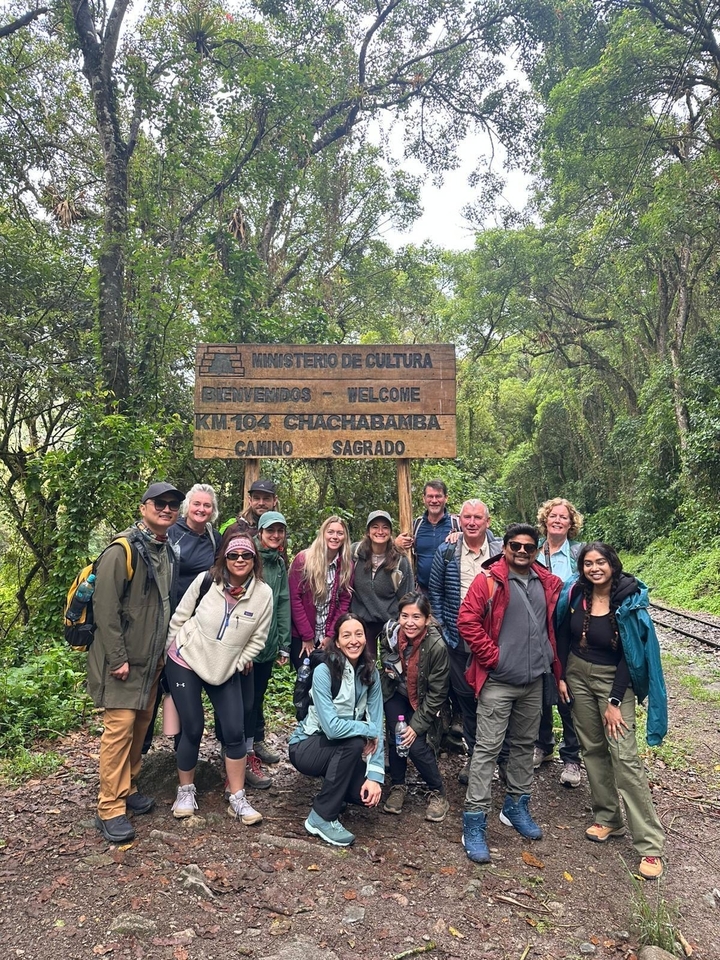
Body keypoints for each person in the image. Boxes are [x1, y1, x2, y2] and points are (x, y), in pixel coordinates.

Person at [556, 542, 667, 880]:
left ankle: (649, 844)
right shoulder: (576, 594)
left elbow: (629, 655)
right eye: (588, 563)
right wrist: (561, 674)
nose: (594, 568)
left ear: (612, 564)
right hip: (577, 673)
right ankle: (608, 819)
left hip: (614, 680)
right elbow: (562, 632)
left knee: (624, 757)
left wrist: (615, 701)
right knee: (592, 748)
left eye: (600, 562)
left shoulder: (628, 598)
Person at [458, 523, 563, 864]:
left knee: (523, 746)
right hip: (499, 682)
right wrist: (494, 658)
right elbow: (467, 621)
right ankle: (474, 821)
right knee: (487, 750)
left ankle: (515, 806)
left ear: (536, 551)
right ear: (504, 548)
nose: (521, 551)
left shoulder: (546, 583)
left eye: (528, 547)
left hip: (534, 682)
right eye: (515, 545)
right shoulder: (488, 581)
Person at [89, 481, 182, 843]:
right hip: (124, 662)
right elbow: (105, 609)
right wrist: (118, 659)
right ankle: (109, 807)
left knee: (140, 728)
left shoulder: (165, 549)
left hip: (152, 661)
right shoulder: (122, 550)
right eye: (160, 503)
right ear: (144, 507)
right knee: (119, 731)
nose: (167, 509)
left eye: (173, 505)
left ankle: (126, 788)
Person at [165, 536, 273, 825]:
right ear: (224, 558)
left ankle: (237, 797)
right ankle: (185, 791)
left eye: (246, 556)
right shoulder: (205, 582)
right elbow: (179, 618)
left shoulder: (263, 594)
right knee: (192, 727)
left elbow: (258, 638)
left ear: (254, 561)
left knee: (234, 731)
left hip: (224, 668)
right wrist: (167, 651)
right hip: (185, 659)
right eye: (233, 555)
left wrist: (236, 662)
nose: (239, 560)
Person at [288, 614, 384, 846]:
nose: (354, 640)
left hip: (339, 747)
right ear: (337, 642)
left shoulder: (370, 673)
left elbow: (377, 724)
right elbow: (331, 728)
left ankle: (335, 794)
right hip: (307, 746)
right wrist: (365, 728)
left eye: (359, 634)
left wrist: (374, 776)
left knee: (363, 796)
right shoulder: (324, 672)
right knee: (354, 743)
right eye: (347, 635)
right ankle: (321, 817)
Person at [428, 499, 502, 784]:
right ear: (459, 520)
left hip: (493, 641)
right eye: (467, 517)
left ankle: (501, 759)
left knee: (496, 702)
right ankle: (475, 758)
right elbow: (435, 591)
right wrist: (445, 626)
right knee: (468, 700)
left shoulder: (499, 551)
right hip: (458, 642)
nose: (472, 522)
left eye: (478, 517)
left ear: (487, 521)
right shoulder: (447, 551)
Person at [380, 593, 450, 822]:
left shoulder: (437, 646)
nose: (410, 622)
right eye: (405, 616)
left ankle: (437, 791)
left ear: (427, 620)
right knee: (396, 737)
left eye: (417, 617)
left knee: (416, 745)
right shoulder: (390, 633)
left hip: (423, 699)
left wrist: (417, 725)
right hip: (395, 693)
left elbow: (437, 692)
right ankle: (398, 786)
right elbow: (383, 656)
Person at [533, 497, 585, 787]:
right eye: (553, 515)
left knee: (568, 693)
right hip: (538, 631)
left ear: (570, 523)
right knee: (540, 691)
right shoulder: (533, 552)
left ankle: (572, 757)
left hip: (568, 633)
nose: (557, 520)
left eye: (563, 517)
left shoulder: (578, 555)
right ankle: (543, 744)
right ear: (545, 519)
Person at [243, 511, 291, 786]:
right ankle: (241, 754)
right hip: (245, 646)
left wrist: (284, 643)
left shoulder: (278, 562)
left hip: (268, 644)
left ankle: (252, 746)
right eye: (270, 530)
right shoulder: (248, 557)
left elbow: (282, 602)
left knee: (256, 698)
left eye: (279, 531)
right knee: (243, 702)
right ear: (259, 532)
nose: (275, 535)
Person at [288, 515, 354, 669]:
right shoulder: (304, 560)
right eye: (330, 532)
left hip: (328, 634)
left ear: (345, 537)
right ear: (323, 533)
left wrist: (331, 635)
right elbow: (295, 599)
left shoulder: (347, 565)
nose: (335, 537)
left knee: (327, 679)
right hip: (303, 635)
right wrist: (307, 636)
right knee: (305, 680)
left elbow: (344, 601)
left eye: (340, 533)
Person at [351, 510, 413, 660]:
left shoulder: (400, 561)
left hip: (390, 622)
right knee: (365, 665)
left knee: (392, 667)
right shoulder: (354, 553)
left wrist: (403, 624)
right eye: (375, 527)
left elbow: (408, 596)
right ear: (368, 531)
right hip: (362, 621)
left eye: (385, 527)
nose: (380, 531)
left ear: (391, 532)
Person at [395, 480, 459, 593]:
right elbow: (398, 555)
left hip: (450, 593)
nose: (434, 500)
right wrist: (396, 544)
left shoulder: (457, 524)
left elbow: (481, 539)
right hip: (422, 591)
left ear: (446, 498)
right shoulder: (415, 526)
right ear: (424, 498)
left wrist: (462, 535)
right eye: (430, 496)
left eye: (438, 496)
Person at [168, 483, 221, 600]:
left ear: (213, 510)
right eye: (196, 504)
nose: (201, 509)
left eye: (207, 505)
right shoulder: (171, 531)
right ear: (187, 506)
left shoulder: (214, 537)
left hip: (201, 607)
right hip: (172, 605)